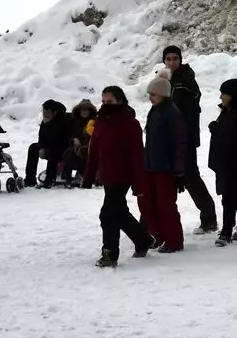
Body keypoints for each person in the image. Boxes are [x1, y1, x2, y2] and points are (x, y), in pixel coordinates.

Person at [82, 86, 154, 268]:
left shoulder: (130, 124)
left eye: (110, 102)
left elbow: (137, 155)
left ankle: (109, 253)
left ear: (120, 101)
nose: (106, 105)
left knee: (107, 214)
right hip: (107, 174)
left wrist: (139, 184)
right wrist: (89, 175)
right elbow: (94, 151)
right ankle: (143, 239)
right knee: (118, 212)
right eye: (104, 102)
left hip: (123, 176)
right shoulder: (100, 121)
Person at [162, 45, 218, 234]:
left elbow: (193, 102)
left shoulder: (186, 77)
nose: (171, 62)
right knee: (163, 180)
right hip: (168, 139)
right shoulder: (164, 79)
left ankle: (209, 219)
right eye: (168, 59)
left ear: (180, 59)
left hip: (184, 138)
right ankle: (155, 223)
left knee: (190, 177)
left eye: (175, 59)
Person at [139, 76, 186, 253]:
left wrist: (179, 171)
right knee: (147, 203)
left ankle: (174, 241)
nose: (151, 97)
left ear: (163, 94)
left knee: (166, 206)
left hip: (165, 168)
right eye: (150, 93)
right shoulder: (155, 110)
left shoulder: (172, 113)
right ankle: (158, 236)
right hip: (150, 166)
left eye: (154, 94)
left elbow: (179, 143)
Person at [208, 79, 237, 247]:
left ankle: (227, 231)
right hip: (225, 161)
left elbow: (234, 138)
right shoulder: (227, 110)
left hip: (234, 162)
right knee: (234, 195)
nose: (221, 97)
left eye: (224, 93)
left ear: (232, 94)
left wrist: (217, 131)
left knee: (228, 197)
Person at [25, 99, 75, 188]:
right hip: (49, 147)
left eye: (47, 112)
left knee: (53, 149)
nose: (45, 114)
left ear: (54, 112)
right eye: (44, 112)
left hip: (63, 149)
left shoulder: (65, 121)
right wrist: (41, 147)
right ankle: (30, 179)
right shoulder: (46, 120)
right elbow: (41, 137)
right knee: (33, 148)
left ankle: (50, 179)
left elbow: (63, 139)